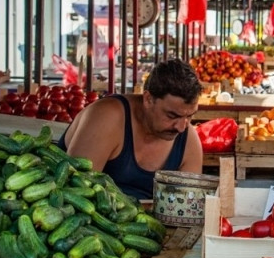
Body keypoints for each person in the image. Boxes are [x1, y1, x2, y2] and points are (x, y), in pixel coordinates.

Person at [59, 58, 204, 200]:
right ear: (148, 99)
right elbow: (75, 192)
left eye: (190, 116)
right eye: (172, 115)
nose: (181, 127)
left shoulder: (188, 142)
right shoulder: (107, 117)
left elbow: (188, 205)